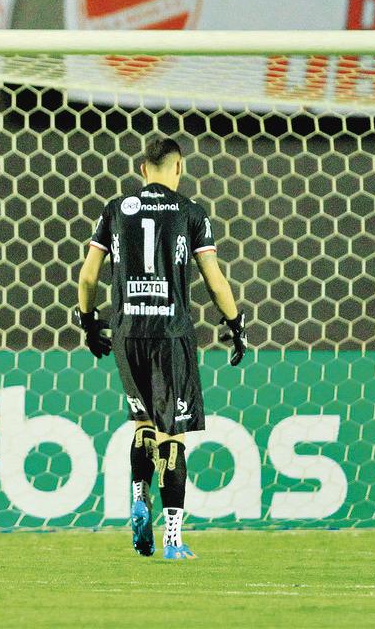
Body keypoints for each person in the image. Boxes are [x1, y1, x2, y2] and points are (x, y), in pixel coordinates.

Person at [76, 135, 246, 562]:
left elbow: (87, 277)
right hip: (171, 334)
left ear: (141, 169)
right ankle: (172, 540)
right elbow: (213, 278)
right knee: (174, 435)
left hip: (127, 330)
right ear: (179, 168)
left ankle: (138, 497)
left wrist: (89, 319)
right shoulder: (191, 214)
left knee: (142, 425)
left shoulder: (115, 210)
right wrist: (235, 324)